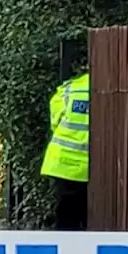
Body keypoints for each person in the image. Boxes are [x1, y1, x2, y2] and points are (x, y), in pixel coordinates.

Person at [40, 71, 90, 231]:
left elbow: (55, 122)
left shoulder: (70, 88)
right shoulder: (111, 91)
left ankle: (67, 251)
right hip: (88, 166)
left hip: (62, 163)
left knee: (67, 216)